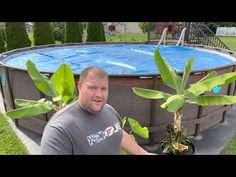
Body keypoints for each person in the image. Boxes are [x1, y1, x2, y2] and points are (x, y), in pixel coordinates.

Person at [40, 66, 153, 155]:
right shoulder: (59, 129)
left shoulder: (109, 111)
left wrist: (143, 152)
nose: (99, 94)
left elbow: (117, 133)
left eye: (103, 89)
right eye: (92, 88)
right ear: (79, 87)